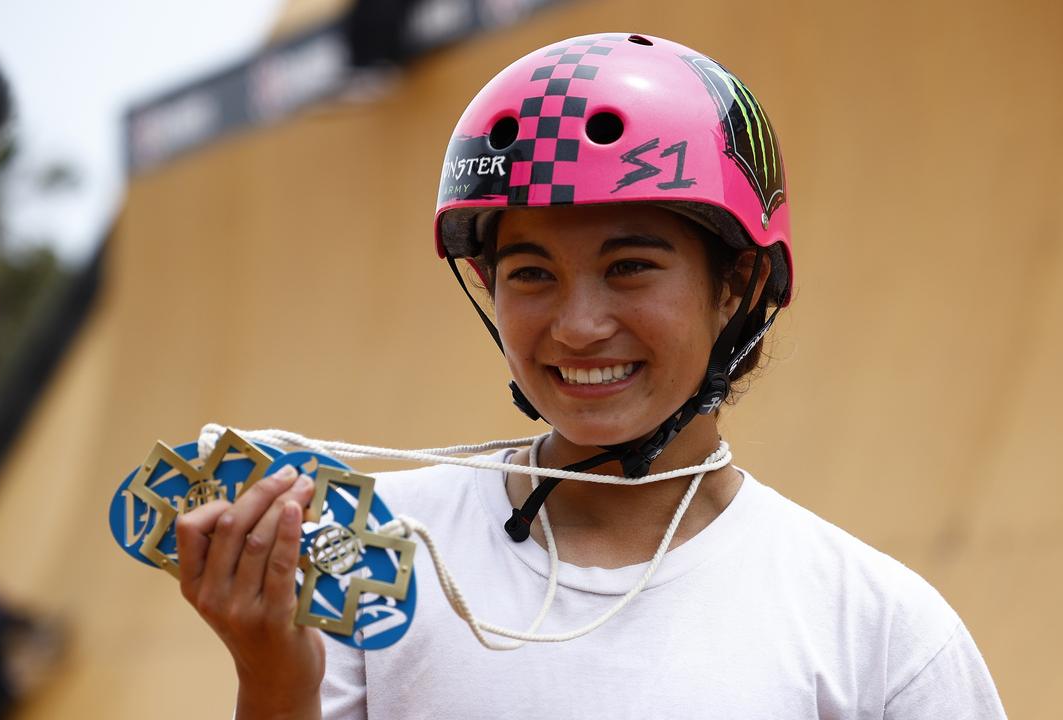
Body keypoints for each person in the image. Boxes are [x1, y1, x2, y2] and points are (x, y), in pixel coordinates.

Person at [175, 33, 1007, 719]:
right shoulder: (379, 551)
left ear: (739, 286)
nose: (577, 326)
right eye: (531, 273)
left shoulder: (877, 634)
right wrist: (273, 678)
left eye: (632, 266)